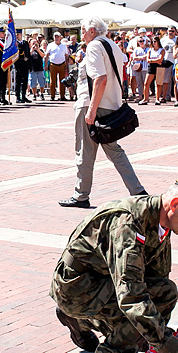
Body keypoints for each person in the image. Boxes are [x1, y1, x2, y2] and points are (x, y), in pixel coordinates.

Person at [51, 178, 178, 353]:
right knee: (147, 308)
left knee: (164, 294)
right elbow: (132, 298)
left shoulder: (160, 222)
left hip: (100, 283)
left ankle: (80, 321)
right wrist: (175, 352)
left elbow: (157, 280)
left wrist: (156, 339)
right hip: (77, 289)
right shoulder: (128, 224)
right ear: (175, 204)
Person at [60, 17, 146, 209]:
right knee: (114, 151)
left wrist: (90, 110)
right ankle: (138, 192)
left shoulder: (94, 47)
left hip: (92, 104)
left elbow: (100, 78)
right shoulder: (112, 45)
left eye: (82, 31)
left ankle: (81, 195)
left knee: (84, 151)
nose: (81, 35)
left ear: (91, 30)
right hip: (110, 104)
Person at [45, 32, 69, 101]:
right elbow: (47, 56)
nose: (56, 38)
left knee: (62, 81)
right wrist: (46, 65)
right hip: (53, 64)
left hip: (62, 64)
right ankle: (52, 96)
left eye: (57, 36)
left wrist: (66, 64)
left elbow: (66, 55)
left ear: (60, 37)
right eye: (55, 36)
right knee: (52, 81)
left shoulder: (64, 46)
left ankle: (62, 96)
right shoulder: (50, 45)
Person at [14, 30, 31, 103]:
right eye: (16, 34)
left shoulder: (25, 43)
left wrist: (29, 64)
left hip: (25, 64)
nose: (18, 36)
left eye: (19, 34)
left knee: (25, 81)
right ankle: (18, 96)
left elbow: (28, 54)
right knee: (18, 81)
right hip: (19, 64)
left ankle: (23, 96)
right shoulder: (15, 44)